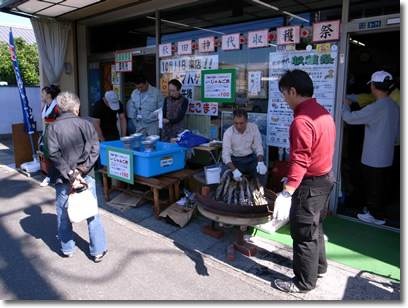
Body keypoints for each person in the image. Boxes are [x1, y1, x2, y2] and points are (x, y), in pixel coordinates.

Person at [273, 69, 336, 294]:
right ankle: (318, 267)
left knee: (303, 235)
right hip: (325, 179)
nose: (285, 100)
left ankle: (303, 283)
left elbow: (300, 159)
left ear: (293, 91)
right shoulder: (322, 113)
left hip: (308, 186)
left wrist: (287, 191)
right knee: (315, 228)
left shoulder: (301, 120)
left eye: (284, 94)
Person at [46, 91, 108, 263]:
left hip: (63, 177)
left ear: (58, 108)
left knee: (63, 213)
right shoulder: (86, 125)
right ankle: (97, 250)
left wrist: (71, 174)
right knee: (92, 213)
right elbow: (95, 149)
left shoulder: (52, 128)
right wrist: (82, 170)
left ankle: (67, 249)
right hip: (86, 176)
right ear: (76, 108)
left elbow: (53, 154)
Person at [342, 70, 400, 225]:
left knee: (373, 185)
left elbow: (349, 118)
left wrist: (346, 106)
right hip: (388, 153)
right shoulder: (394, 105)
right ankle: (375, 210)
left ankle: (377, 216)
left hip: (373, 155)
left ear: (373, 87)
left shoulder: (376, 107)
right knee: (381, 185)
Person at [221, 108, 267, 185]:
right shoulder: (228, 133)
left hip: (250, 160)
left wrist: (260, 162)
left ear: (246, 121)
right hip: (235, 161)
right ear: (233, 121)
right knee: (224, 174)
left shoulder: (253, 128)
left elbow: (258, 146)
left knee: (262, 173)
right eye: (236, 123)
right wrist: (234, 170)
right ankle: (224, 196)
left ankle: (259, 194)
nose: (238, 126)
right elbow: (225, 155)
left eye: (241, 123)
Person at [39, 84, 61, 187]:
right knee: (48, 153)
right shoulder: (46, 106)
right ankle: (52, 175)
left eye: (43, 93)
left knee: (55, 154)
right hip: (48, 130)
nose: (41, 95)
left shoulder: (57, 106)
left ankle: (50, 176)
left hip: (56, 131)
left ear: (49, 94)